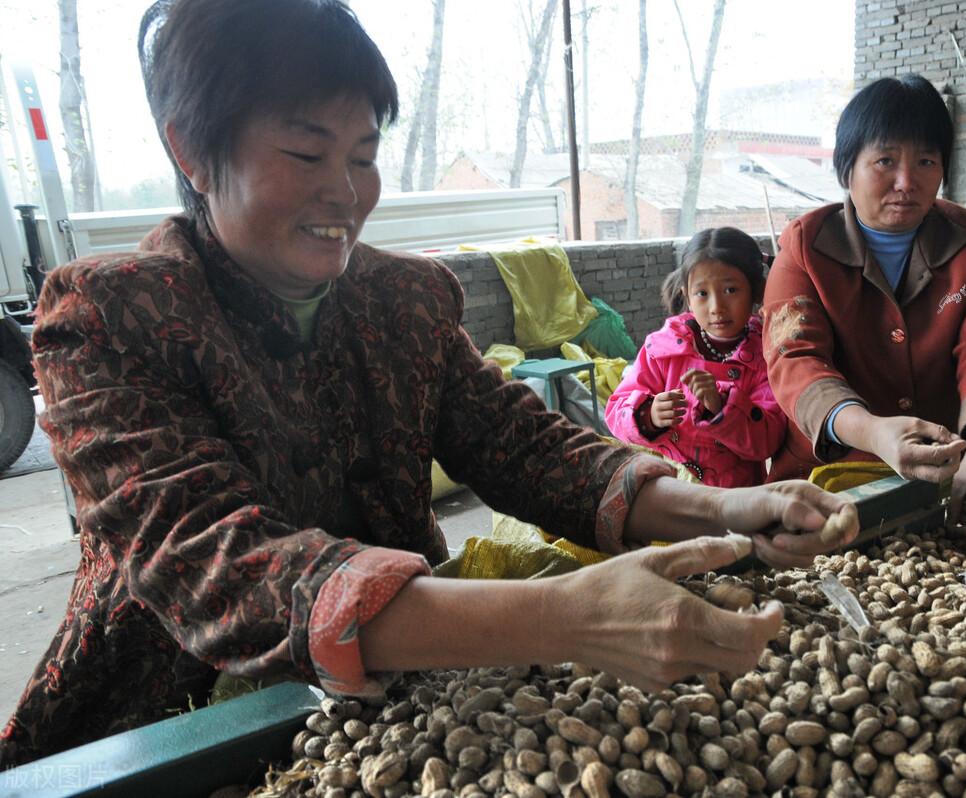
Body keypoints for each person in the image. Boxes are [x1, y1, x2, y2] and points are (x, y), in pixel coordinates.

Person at [0, 0, 856, 769]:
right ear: (192, 148)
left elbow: (527, 447)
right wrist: (568, 616)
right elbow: (218, 562)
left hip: (407, 701)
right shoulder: (107, 320)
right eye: (306, 151)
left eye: (364, 155)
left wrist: (727, 509)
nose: (345, 192)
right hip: (173, 729)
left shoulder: (402, 299)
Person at [763, 74, 966, 535]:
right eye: (885, 160)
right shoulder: (805, 250)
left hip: (943, 468)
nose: (906, 182)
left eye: (925, 161)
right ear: (847, 170)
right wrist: (872, 431)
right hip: (827, 475)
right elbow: (796, 360)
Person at [606, 227, 786, 488]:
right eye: (702, 293)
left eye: (731, 290)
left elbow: (767, 441)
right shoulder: (662, 349)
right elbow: (615, 411)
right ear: (687, 295)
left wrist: (722, 405)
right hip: (667, 491)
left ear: (756, 290)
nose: (716, 308)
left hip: (735, 500)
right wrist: (648, 416)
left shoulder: (767, 354)